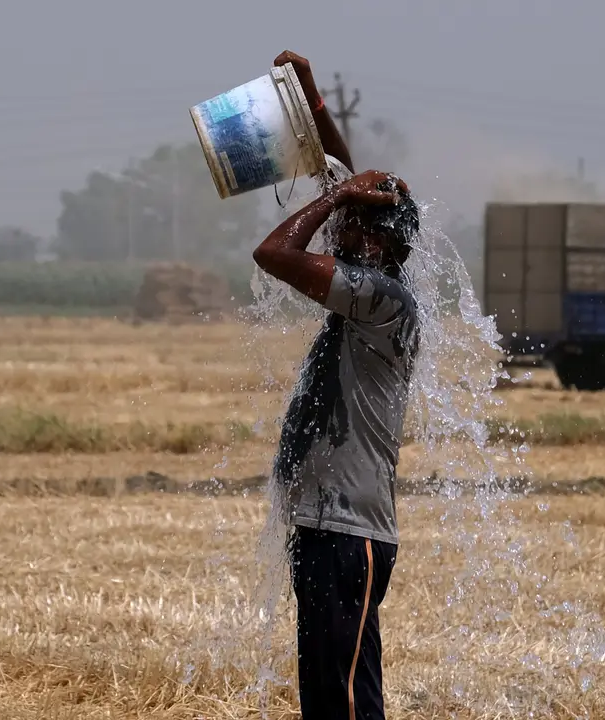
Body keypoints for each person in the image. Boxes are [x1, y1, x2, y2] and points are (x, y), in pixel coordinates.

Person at [253, 50, 421, 720]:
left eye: (353, 225)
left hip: (351, 536)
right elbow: (347, 176)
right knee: (330, 701)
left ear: (382, 247)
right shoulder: (370, 286)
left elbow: (274, 255)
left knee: (346, 703)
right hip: (326, 528)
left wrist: (335, 196)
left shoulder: (381, 300)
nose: (340, 230)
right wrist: (312, 99)